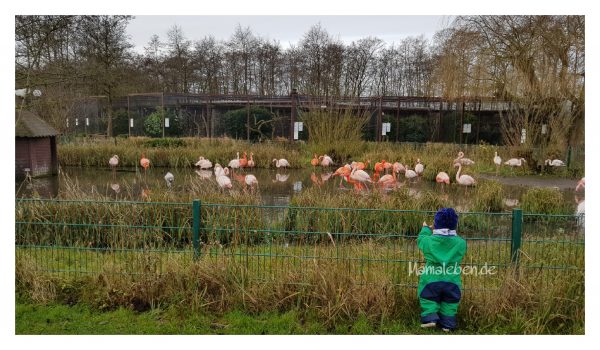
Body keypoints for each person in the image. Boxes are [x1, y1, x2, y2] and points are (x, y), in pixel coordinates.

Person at [417, 208, 467, 332]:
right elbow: (459, 246)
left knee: (428, 298)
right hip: (452, 281)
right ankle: (448, 324)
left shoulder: (428, 241)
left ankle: (429, 318)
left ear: (436, 225)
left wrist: (426, 229)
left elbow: (421, 240)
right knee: (450, 302)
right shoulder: (461, 243)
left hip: (431, 279)